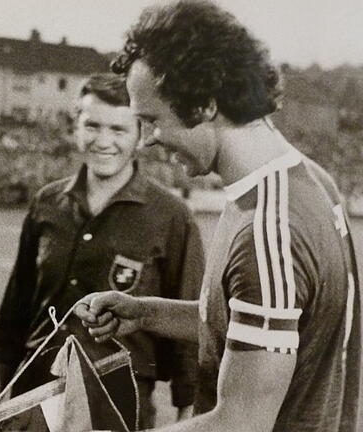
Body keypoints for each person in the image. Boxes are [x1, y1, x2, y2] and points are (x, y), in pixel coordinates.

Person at [75, 1, 361, 431]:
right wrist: (146, 312)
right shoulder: (307, 179)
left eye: (152, 120)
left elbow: (239, 424)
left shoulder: (271, 230)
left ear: (205, 105)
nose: (148, 140)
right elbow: (253, 319)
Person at [0, 73, 204, 431]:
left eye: (118, 129)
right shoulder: (47, 203)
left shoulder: (171, 216)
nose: (103, 141)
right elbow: (12, 319)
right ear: (76, 127)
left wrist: (189, 418)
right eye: (92, 125)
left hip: (118, 403)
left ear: (139, 134)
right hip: (35, 400)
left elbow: (191, 342)